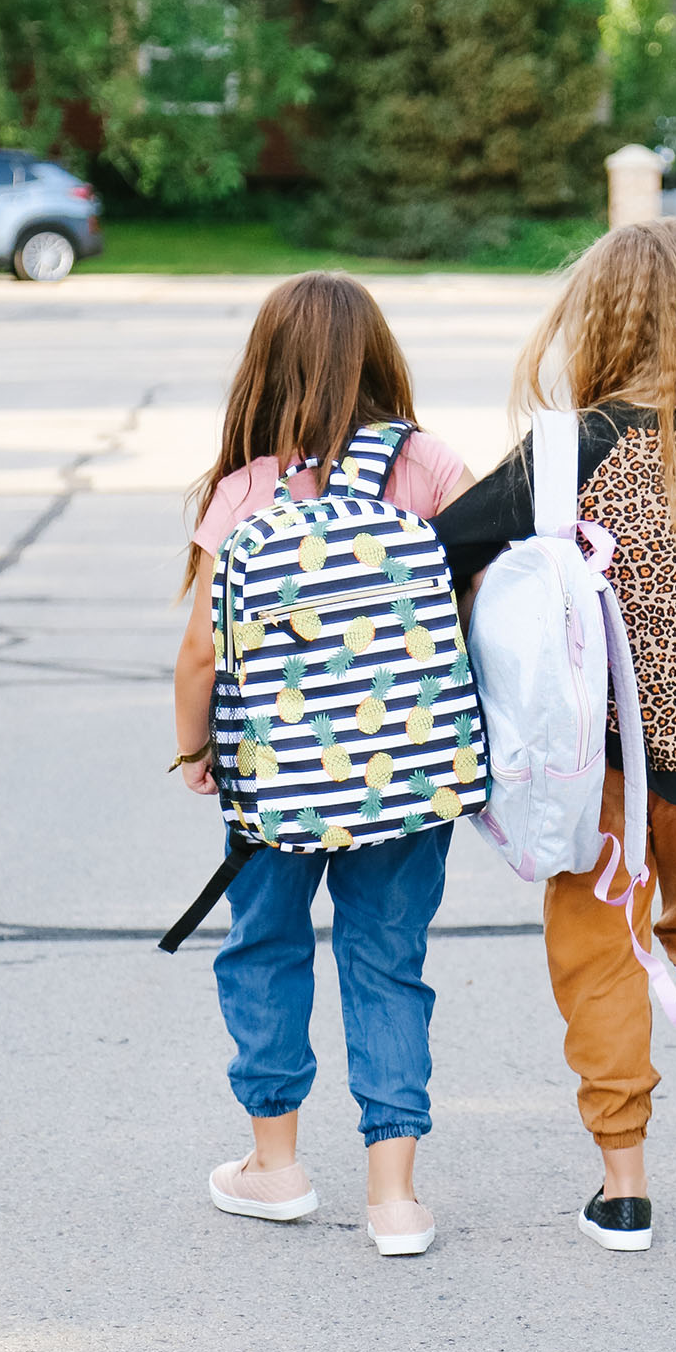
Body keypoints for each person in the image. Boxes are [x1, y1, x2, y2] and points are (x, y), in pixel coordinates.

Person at [435, 220, 676, 1251]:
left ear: (592, 321)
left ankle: (625, 1186)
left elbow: (444, 544)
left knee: (601, 949)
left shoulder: (565, 448)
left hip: (595, 762)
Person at [172, 273, 476, 1257]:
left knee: (265, 950)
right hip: (410, 780)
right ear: (381, 358)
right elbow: (485, 604)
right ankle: (395, 1199)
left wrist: (195, 750)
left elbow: (202, 651)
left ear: (265, 370)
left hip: (276, 783)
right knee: (387, 961)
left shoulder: (247, 490)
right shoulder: (428, 467)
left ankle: (277, 1167)